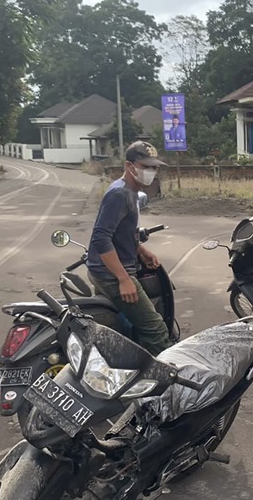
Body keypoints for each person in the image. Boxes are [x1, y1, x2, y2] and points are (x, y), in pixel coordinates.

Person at [86, 141, 171, 356]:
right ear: (129, 166)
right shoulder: (120, 194)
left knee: (120, 328)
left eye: (154, 167)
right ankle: (162, 374)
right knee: (156, 330)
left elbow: (121, 232)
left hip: (104, 270)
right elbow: (101, 238)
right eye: (146, 166)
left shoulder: (130, 191)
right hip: (112, 275)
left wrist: (140, 250)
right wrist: (124, 279)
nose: (151, 172)